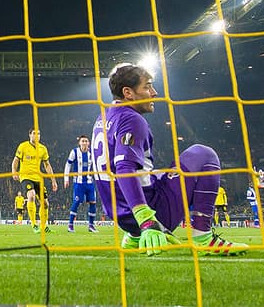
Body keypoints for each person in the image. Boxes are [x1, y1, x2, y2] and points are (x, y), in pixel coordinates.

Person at [91, 63, 247, 256]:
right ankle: (203, 237)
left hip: (121, 215)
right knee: (204, 154)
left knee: (159, 172)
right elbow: (124, 168)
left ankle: (133, 236)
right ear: (128, 93)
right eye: (147, 86)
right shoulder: (132, 119)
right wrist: (146, 218)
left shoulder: (103, 117)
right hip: (150, 212)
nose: (154, 92)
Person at [11, 129, 59, 233]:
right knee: (31, 196)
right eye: (34, 133)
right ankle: (34, 225)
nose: (36, 135)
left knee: (45, 204)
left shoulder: (43, 149)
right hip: (26, 177)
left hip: (38, 178)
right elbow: (16, 160)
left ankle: (43, 226)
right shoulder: (23, 146)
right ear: (29, 135)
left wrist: (53, 180)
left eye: (38, 133)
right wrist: (14, 171)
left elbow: (47, 165)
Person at [63, 135, 98, 233]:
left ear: (89, 143)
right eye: (83, 141)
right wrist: (66, 178)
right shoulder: (74, 152)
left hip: (89, 182)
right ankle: (70, 225)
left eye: (86, 141)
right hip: (78, 183)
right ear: (79, 143)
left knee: (93, 203)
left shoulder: (92, 153)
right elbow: (68, 164)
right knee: (77, 202)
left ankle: (91, 226)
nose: (84, 143)